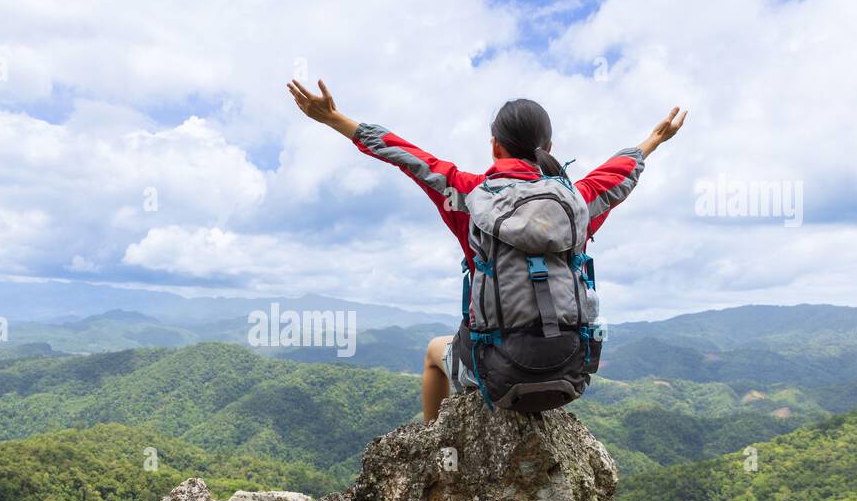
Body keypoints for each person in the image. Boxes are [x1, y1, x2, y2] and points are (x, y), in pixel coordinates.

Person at [287, 78, 686, 420]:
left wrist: (334, 119)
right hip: (571, 368)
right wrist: (654, 140)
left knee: (432, 352)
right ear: (549, 146)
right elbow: (617, 175)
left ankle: (433, 441)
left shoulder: (468, 195)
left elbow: (407, 156)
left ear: (495, 147)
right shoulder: (576, 203)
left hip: (498, 374)